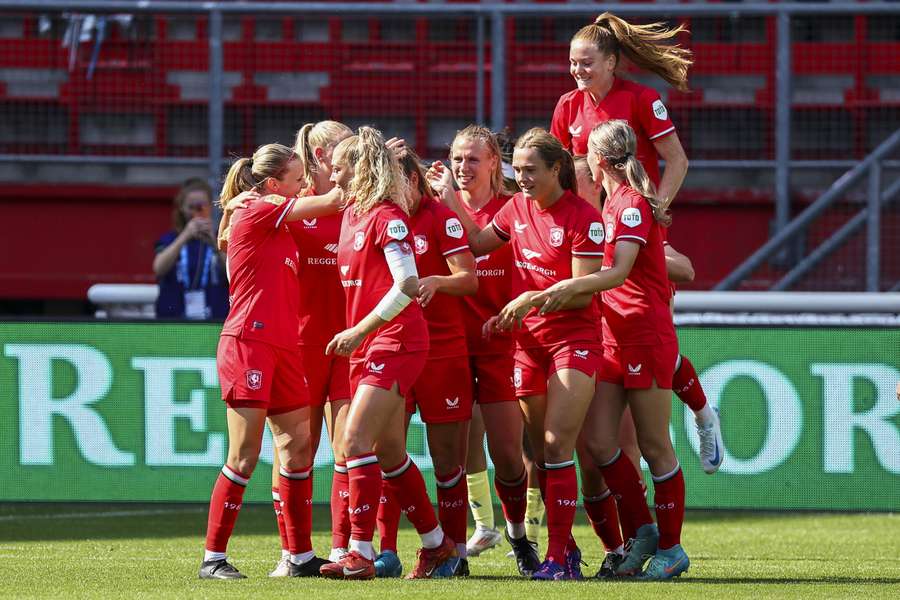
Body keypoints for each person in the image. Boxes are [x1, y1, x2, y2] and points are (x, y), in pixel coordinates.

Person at [552, 12, 723, 475]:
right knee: (618, 334)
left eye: (586, 63)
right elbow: (564, 176)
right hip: (593, 230)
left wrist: (654, 211)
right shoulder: (568, 106)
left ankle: (704, 414)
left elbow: (677, 160)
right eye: (572, 63)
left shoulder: (644, 100)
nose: (578, 71)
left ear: (612, 61)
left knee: (653, 333)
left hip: (634, 223)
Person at [434, 128, 605, 581]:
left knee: (554, 446)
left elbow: (583, 293)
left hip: (573, 341)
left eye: (531, 170)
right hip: (527, 343)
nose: (523, 178)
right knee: (543, 456)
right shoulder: (515, 208)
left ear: (556, 170)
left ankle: (561, 556)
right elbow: (473, 245)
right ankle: (555, 550)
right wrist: (449, 199)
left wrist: (527, 300)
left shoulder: (584, 218)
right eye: (520, 170)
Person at [534, 120, 690, 581]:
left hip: (644, 334)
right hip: (612, 338)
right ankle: (642, 530)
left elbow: (620, 273)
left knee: (655, 445)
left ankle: (671, 547)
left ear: (597, 160)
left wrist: (562, 288)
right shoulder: (610, 206)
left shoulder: (632, 206)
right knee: (599, 443)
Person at [319, 126, 457, 580]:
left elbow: (407, 285)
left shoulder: (386, 217)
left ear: (360, 168)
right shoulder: (351, 214)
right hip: (370, 342)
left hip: (396, 340)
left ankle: (359, 551)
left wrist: (360, 329)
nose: (332, 176)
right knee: (390, 454)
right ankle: (438, 545)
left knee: (353, 441)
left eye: (338, 167)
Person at [199, 143, 341, 580]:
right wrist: (366, 164)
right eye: (299, 180)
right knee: (243, 455)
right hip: (249, 344)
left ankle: (299, 557)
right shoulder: (261, 208)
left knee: (298, 450)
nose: (305, 187)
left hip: (283, 347)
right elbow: (336, 199)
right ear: (274, 185)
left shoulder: (271, 220)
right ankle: (213, 558)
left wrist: (227, 212)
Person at [428, 125, 541, 576]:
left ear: (495, 162)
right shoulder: (435, 208)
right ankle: (455, 547)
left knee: (510, 456)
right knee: (452, 454)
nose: (463, 167)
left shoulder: (513, 208)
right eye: (457, 158)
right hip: (453, 345)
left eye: (473, 159)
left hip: (501, 345)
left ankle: (519, 535)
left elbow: (476, 241)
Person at [374, 147, 478, 578]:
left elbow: (469, 277)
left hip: (443, 352)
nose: (388, 194)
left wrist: (437, 280)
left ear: (414, 180)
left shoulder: (441, 218)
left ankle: (453, 554)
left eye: (395, 185)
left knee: (447, 460)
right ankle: (386, 551)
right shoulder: (382, 218)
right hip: (397, 347)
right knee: (386, 451)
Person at [153, 178, 228, 319]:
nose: (196, 212)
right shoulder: (170, 239)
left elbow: (234, 272)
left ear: (210, 207)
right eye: (191, 207)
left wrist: (214, 243)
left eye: (201, 207)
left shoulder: (222, 238)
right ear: (182, 208)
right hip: (174, 318)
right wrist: (184, 236)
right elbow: (158, 268)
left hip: (215, 319)